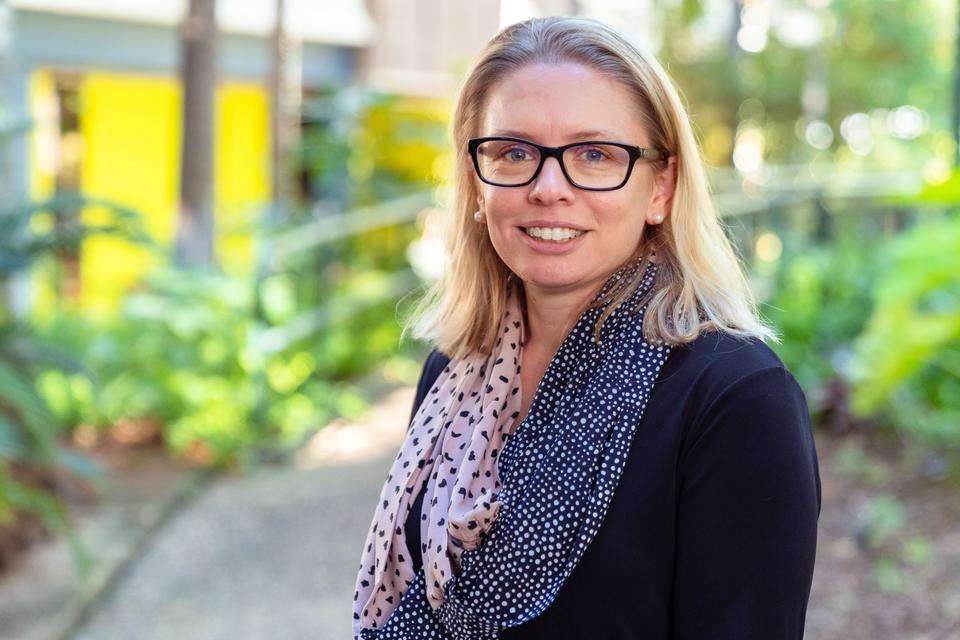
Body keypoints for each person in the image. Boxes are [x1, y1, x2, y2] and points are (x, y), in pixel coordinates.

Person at [352, 15, 821, 640]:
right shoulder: (453, 376)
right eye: (514, 152)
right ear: (475, 182)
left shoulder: (734, 401)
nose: (549, 188)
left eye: (595, 155)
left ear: (661, 186)